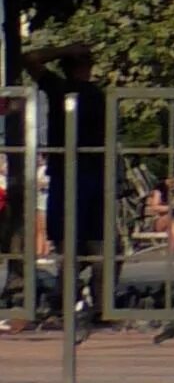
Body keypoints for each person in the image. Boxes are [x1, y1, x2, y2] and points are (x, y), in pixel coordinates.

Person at [22, 43, 106, 277]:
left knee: (82, 246)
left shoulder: (65, 89)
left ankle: (74, 302)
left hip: (77, 172)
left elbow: (30, 59)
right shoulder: (71, 90)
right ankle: (90, 305)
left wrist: (64, 51)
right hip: (81, 173)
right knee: (90, 246)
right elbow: (29, 59)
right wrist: (67, 50)